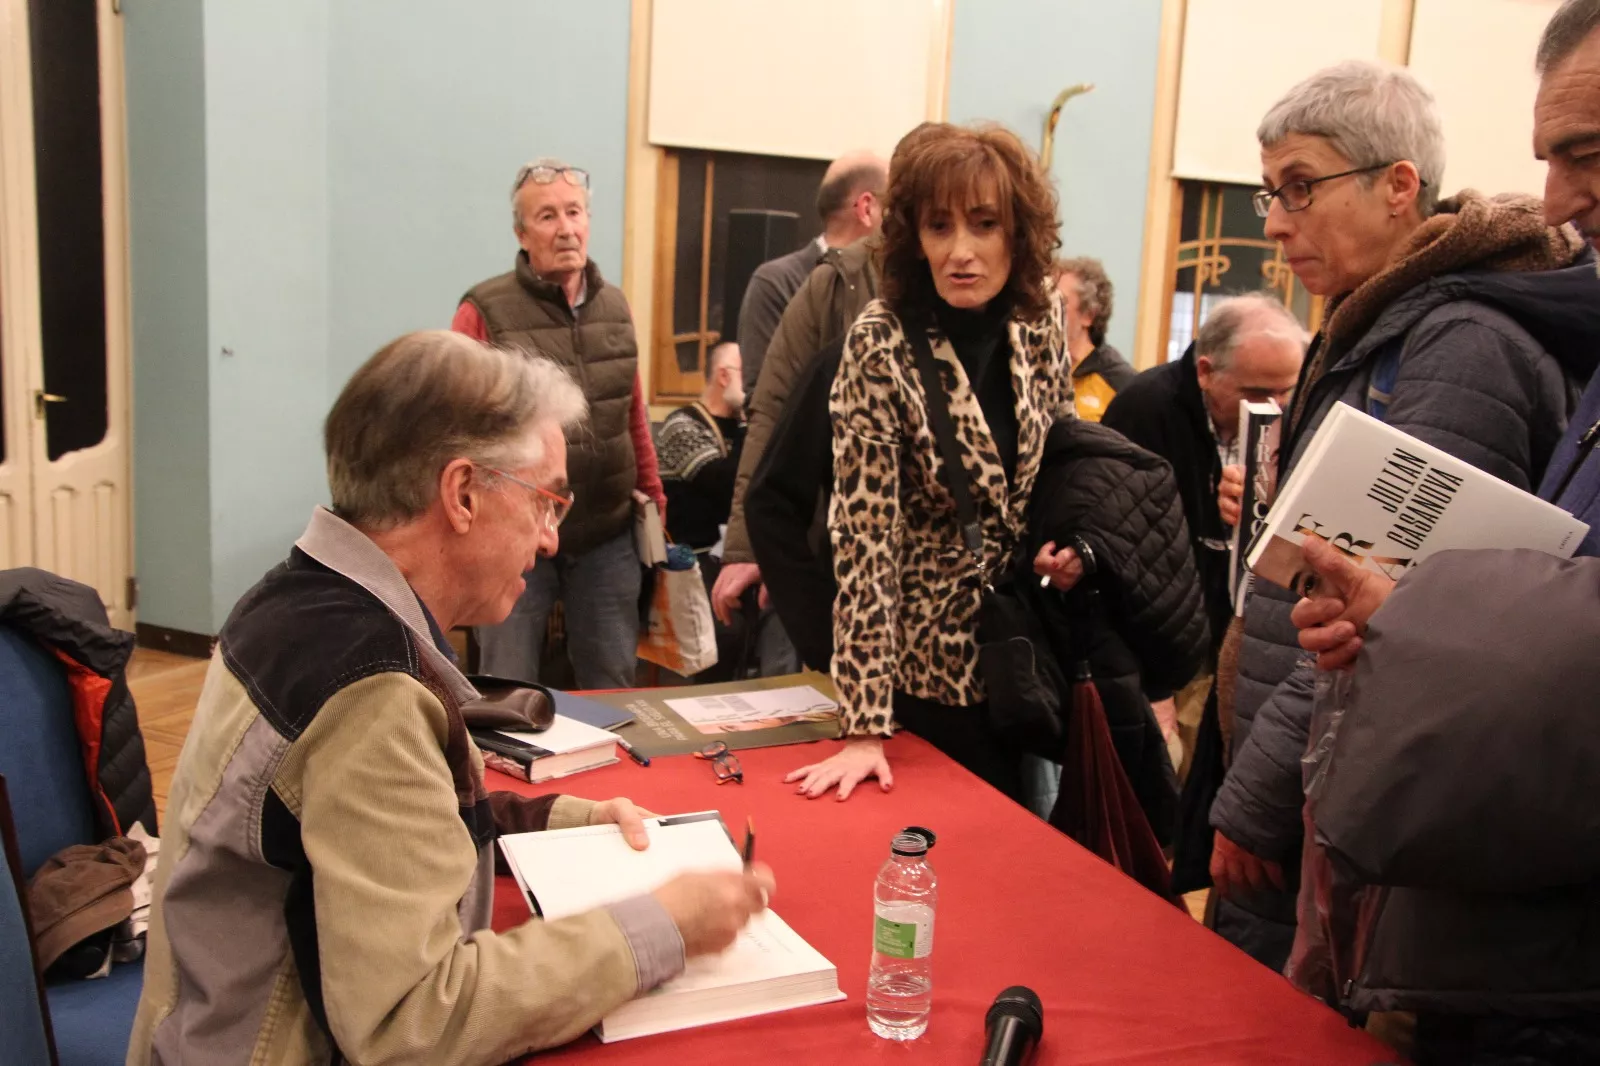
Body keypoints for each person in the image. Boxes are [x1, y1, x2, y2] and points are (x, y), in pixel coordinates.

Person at [127, 332, 774, 1066]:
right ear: (462, 494)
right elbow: (414, 1023)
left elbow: (369, 826)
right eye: (546, 503)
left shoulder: (295, 601)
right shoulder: (369, 689)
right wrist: (662, 927)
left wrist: (558, 819)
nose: (551, 541)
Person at [1206, 59, 1600, 974]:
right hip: (1321, 770)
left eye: (1300, 187)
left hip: (1351, 791)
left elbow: (1384, 606)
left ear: (1398, 187)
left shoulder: (1460, 345)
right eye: (1271, 191)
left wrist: (1255, 800)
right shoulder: (1378, 320)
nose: (1273, 220)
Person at [782, 121, 1075, 804]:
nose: (961, 251)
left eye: (984, 224)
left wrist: (1071, 549)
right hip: (927, 679)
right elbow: (864, 544)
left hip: (1031, 655)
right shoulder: (879, 344)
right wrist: (864, 726)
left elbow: (1063, 465)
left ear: (1019, 232)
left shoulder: (1040, 322)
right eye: (939, 227)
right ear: (913, 236)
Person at [1101, 294, 1305, 888]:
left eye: (1284, 391)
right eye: (1254, 393)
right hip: (1167, 654)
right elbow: (1125, 547)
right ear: (1206, 371)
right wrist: (1151, 677)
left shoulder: (1289, 419)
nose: (1272, 408)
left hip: (1235, 645)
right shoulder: (1147, 409)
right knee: (1160, 802)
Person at [453, 158, 664, 690]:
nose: (566, 228)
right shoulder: (483, 309)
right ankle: (499, 774)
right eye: (547, 216)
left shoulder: (616, 306)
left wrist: (654, 495)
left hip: (606, 534)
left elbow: (631, 412)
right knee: (506, 686)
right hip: (515, 533)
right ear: (521, 233)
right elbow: (457, 427)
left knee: (613, 688)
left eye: (574, 212)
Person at [713, 156, 888, 670]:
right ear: (869, 206)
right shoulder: (793, 282)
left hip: (885, 553)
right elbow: (771, 411)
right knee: (793, 684)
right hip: (806, 533)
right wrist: (750, 546)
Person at [736, 151, 888, 398]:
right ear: (867, 208)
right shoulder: (777, 282)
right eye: (894, 206)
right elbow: (765, 398)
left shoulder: (892, 283)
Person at [657, 342, 751, 679]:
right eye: (747, 373)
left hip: (734, 553)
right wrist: (749, 423)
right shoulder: (681, 425)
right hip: (691, 559)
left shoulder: (741, 429)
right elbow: (728, 484)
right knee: (727, 636)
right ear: (725, 376)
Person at [1053, 257, 1135, 421]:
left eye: (1059, 301)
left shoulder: (1121, 384)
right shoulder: (1038, 367)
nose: (1048, 309)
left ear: (1088, 315)